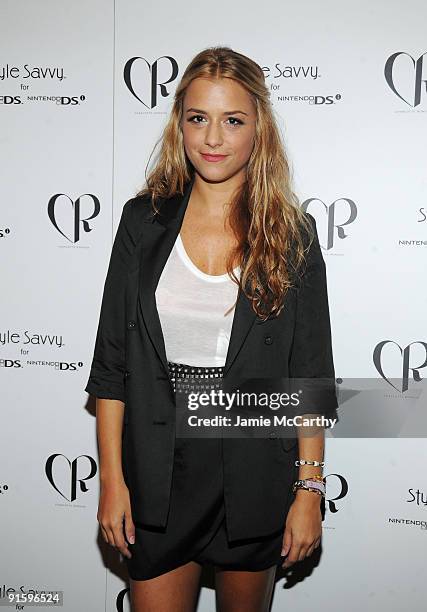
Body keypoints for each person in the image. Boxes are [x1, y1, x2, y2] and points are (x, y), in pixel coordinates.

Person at [85, 46, 338, 611]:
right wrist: (112, 481)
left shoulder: (291, 234)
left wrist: (309, 490)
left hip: (252, 467)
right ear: (180, 124)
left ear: (258, 130)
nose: (213, 138)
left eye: (233, 120)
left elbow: (311, 375)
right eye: (198, 118)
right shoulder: (140, 223)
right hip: (154, 467)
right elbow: (112, 366)